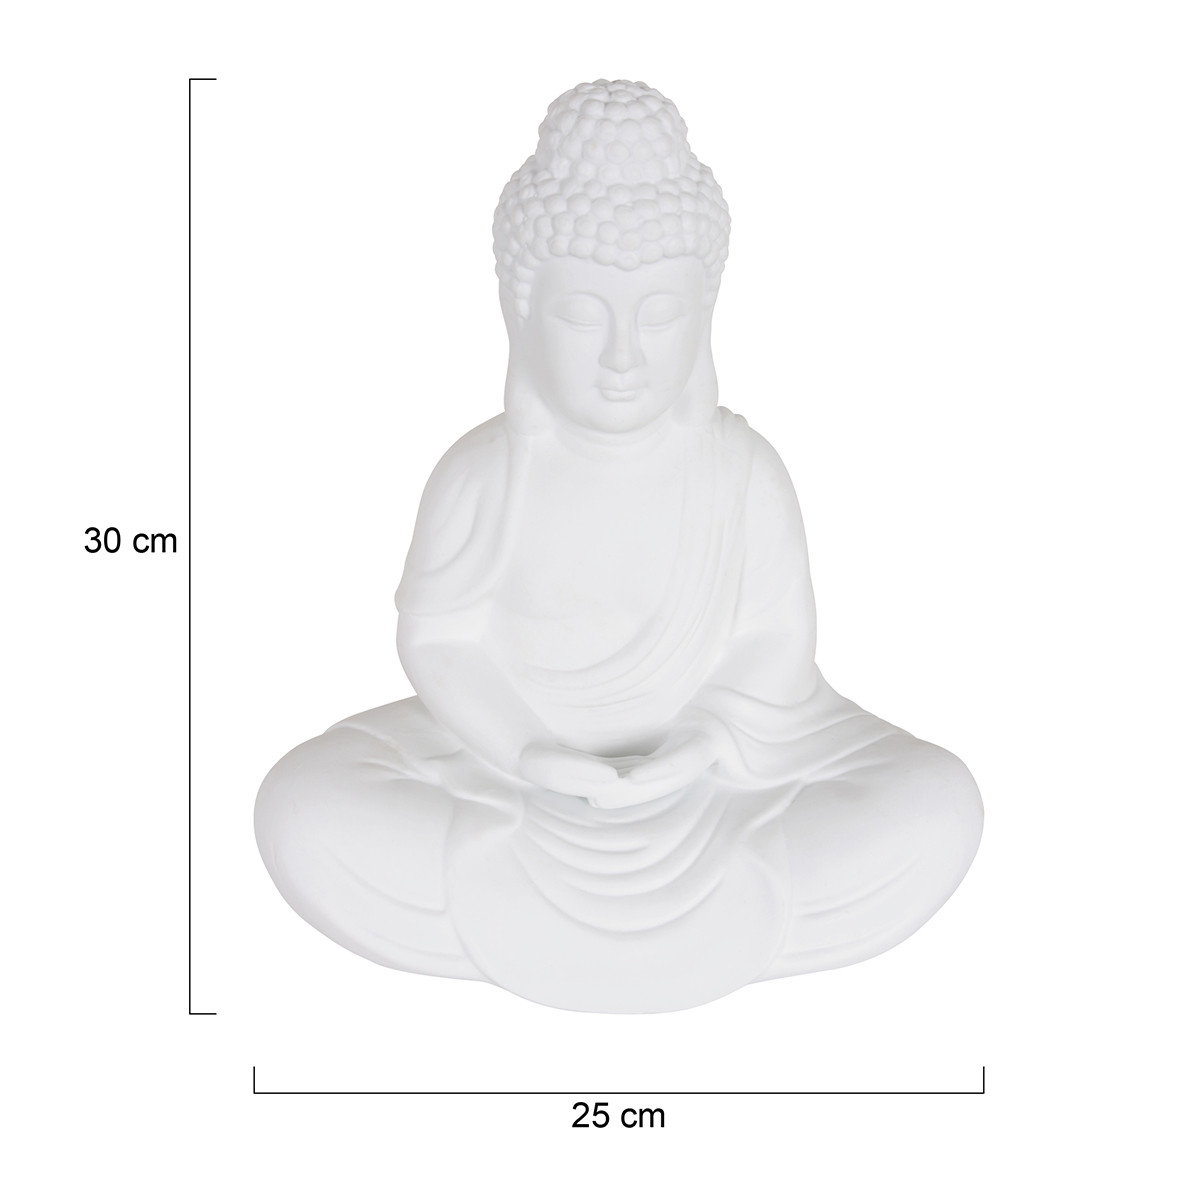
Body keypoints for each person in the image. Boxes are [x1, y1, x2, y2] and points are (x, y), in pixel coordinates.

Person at [255, 80, 983, 1013]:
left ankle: (596, 910)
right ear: (520, 311)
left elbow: (774, 645)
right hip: (510, 783)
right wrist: (528, 754)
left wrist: (704, 743)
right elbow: (440, 642)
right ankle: (700, 916)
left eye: (661, 315)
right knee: (303, 805)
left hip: (721, 784)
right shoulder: (486, 473)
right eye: (582, 316)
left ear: (706, 311)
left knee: (935, 800)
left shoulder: (741, 470)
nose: (623, 357)